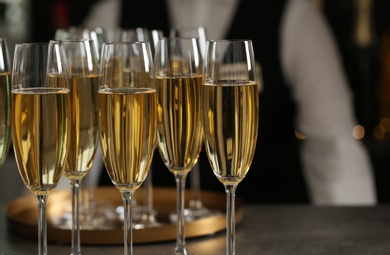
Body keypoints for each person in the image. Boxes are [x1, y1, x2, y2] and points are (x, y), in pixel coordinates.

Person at [79, 0, 377, 205]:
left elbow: (333, 146)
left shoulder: (294, 18)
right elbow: (80, 129)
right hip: (147, 232)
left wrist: (350, 239)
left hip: (264, 228)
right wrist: (49, 214)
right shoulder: (112, 15)